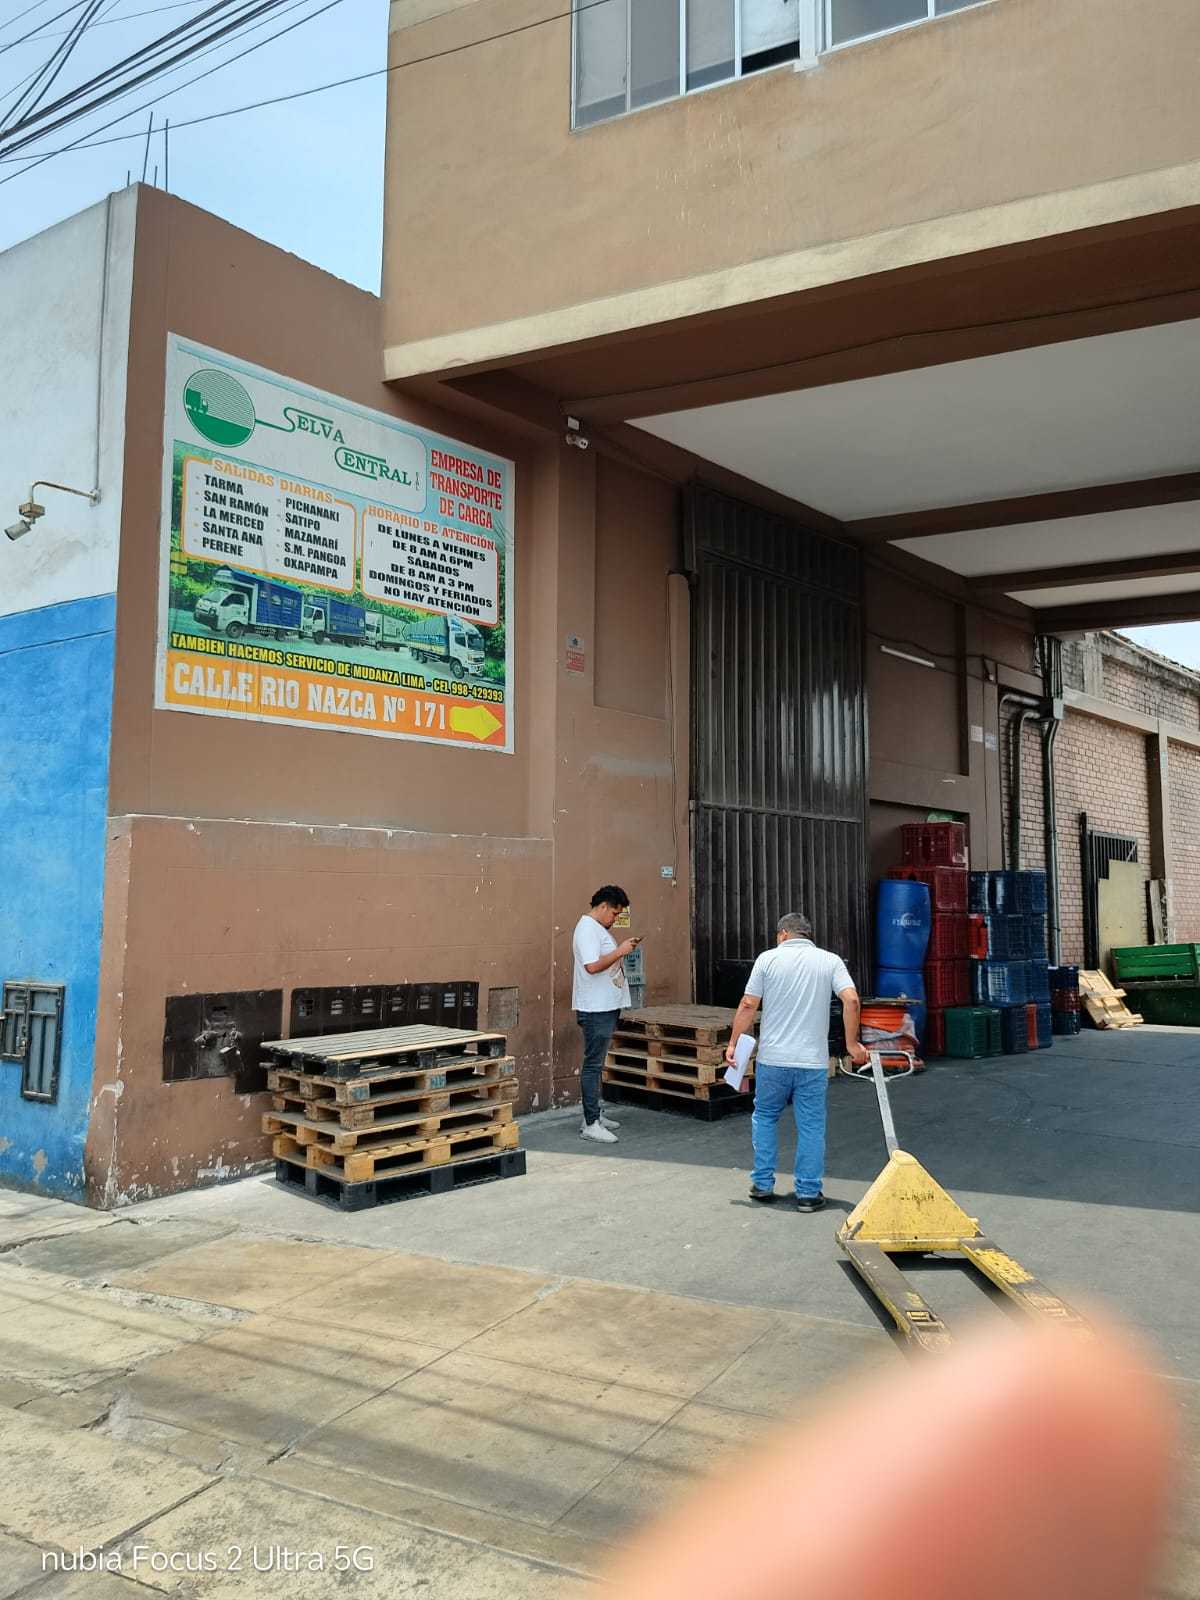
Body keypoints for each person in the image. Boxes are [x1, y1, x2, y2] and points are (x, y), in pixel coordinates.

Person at [726, 911, 867, 1210]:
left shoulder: (767, 959)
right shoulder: (830, 961)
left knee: (765, 1117)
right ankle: (808, 1193)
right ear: (807, 934)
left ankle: (762, 1184)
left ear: (782, 934)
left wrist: (734, 1042)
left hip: (773, 1060)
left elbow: (748, 1004)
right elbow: (851, 999)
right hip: (812, 1063)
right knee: (811, 1127)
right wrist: (852, 1044)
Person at [573, 885, 640, 1145]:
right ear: (602, 906)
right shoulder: (587, 929)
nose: (615, 918)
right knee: (593, 1065)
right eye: (614, 913)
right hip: (595, 1008)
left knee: (597, 1063)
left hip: (604, 1006)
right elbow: (592, 966)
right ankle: (591, 1123)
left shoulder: (596, 929)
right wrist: (620, 951)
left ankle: (593, 1115)